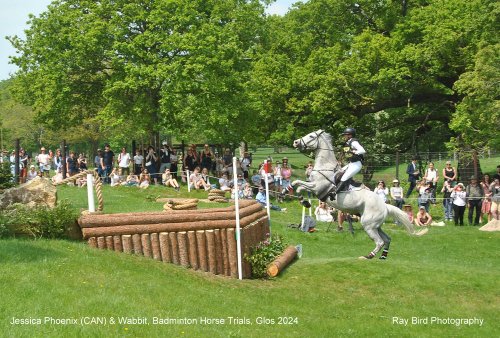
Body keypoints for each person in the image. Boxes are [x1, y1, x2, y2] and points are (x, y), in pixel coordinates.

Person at [330, 127, 365, 200]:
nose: (344, 136)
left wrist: (354, 152)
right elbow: (343, 153)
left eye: (345, 135)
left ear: (350, 135)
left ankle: (334, 193)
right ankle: (347, 187)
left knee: (344, 177)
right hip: (351, 164)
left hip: (357, 164)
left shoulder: (354, 142)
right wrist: (339, 161)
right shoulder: (346, 143)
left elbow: (362, 150)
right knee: (337, 173)